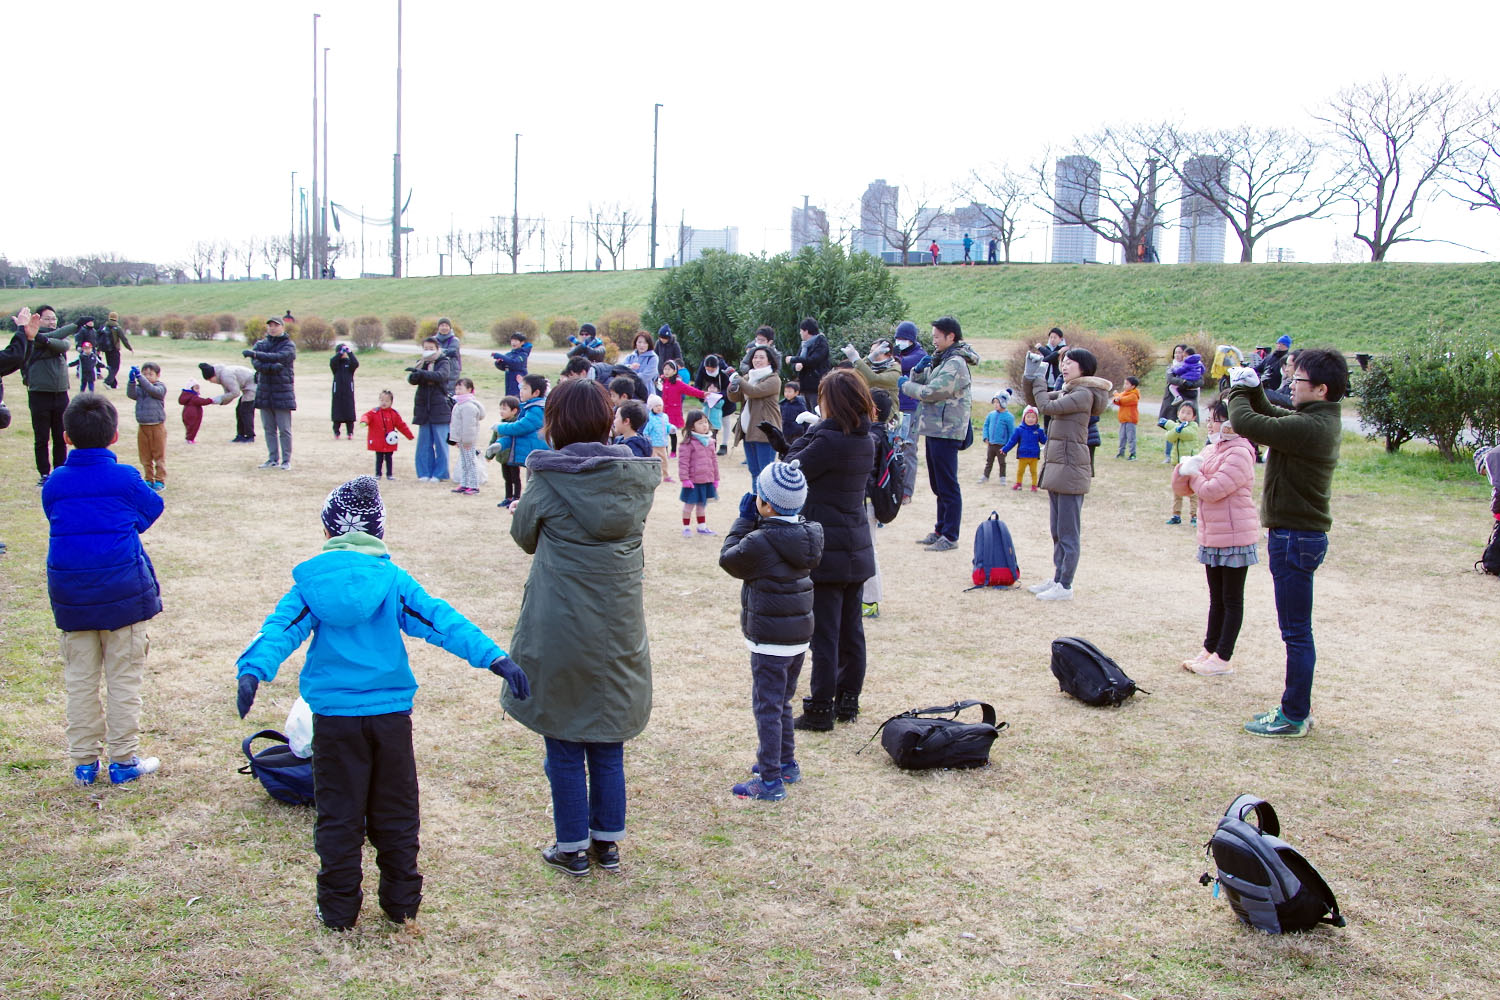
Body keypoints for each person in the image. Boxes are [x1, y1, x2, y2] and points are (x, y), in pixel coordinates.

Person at [235, 476, 528, 929]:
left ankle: (337, 910)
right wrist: (496, 658)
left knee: (338, 813)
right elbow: (442, 620)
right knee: (396, 808)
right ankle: (402, 903)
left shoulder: (311, 584)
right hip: (390, 717)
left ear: (329, 530)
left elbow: (280, 628)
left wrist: (253, 668)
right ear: (379, 532)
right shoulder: (392, 580)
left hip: (334, 720)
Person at [501, 377, 659, 875]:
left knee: (565, 740)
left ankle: (571, 846)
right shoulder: (632, 480)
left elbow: (523, 534)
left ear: (555, 424)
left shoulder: (548, 481)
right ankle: (606, 843)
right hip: (618, 627)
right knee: (608, 741)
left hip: (561, 627)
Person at [43, 393, 164, 787]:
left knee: (80, 679)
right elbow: (151, 509)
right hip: (123, 594)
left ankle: (83, 763)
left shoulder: (56, 481)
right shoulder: (126, 477)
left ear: (66, 437)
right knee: (123, 678)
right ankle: (123, 759)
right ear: (115, 436)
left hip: (72, 596)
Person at [1225, 350, 1345, 739]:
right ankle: (1296, 709)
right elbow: (1271, 416)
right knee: (1297, 631)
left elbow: (1247, 422)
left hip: (1295, 538)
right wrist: (1255, 388)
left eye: (1299, 381)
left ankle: (1294, 715)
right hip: (1298, 536)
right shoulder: (1314, 420)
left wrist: (1237, 391)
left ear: (1322, 390)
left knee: (1296, 633)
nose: (1292, 385)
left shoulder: (1311, 427)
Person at [758, 369, 876, 730]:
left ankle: (821, 708)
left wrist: (805, 434)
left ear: (832, 401)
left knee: (825, 633)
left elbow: (794, 467)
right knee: (851, 631)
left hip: (829, 546)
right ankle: (847, 702)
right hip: (855, 543)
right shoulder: (864, 439)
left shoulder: (828, 439)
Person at [717, 460, 823, 802]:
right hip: (796, 637)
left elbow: (729, 558)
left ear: (765, 504)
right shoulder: (807, 534)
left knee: (767, 706)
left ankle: (770, 779)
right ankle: (785, 762)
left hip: (770, 641)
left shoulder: (762, 539)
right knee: (781, 703)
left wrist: (744, 519)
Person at [1173, 399, 1258, 678]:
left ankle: (1223, 657)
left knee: (1232, 599)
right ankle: (1209, 649)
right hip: (1213, 534)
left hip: (1235, 535)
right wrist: (1182, 470)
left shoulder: (1241, 452)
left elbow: (1211, 490)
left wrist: (1193, 473)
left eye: (1217, 419)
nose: (1211, 424)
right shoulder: (1212, 449)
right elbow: (1184, 488)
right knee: (1216, 598)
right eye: (1210, 418)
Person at [1023, 347, 1113, 601]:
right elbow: (1033, 399)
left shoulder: (1083, 394)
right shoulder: (1069, 390)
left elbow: (1045, 406)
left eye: (1070, 363)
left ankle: (1065, 585)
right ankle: (1058, 577)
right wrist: (1030, 375)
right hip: (1059, 465)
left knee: (1068, 531)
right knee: (1057, 529)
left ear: (1083, 368)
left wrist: (1040, 377)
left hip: (1071, 467)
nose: (1064, 366)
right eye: (1063, 362)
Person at [899, 316, 978, 552]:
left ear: (950, 336)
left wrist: (905, 385)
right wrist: (918, 371)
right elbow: (928, 382)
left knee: (947, 484)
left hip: (947, 429)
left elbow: (933, 391)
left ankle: (950, 535)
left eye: (936, 336)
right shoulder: (942, 359)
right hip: (935, 426)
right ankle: (940, 529)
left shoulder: (955, 363)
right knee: (937, 483)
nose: (933, 341)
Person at [8, 305, 76, 484]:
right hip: (39, 394)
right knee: (41, 437)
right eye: (47, 318)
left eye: (54, 318)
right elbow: (43, 339)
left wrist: (47, 339)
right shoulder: (32, 338)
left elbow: (63, 345)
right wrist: (38, 336)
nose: (52, 322)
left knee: (60, 436)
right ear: (37, 320)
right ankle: (44, 473)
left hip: (60, 393)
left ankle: (60, 471)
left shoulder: (60, 338)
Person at [487, 374, 549, 507]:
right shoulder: (529, 408)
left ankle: (533, 508)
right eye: (521, 387)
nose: (521, 391)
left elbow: (519, 428)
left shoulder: (537, 410)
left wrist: (500, 427)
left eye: (525, 388)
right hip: (533, 456)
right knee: (532, 484)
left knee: (535, 486)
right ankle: (530, 506)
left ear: (536, 392)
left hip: (539, 456)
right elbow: (519, 436)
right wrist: (500, 444)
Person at [244, 315, 297, 470]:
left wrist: (255, 355)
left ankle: (286, 460)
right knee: (269, 429)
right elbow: (257, 364)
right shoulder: (261, 344)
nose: (272, 328)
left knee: (284, 429)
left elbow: (280, 358)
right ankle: (272, 458)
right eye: (270, 325)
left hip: (283, 392)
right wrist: (270, 367)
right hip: (264, 391)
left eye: (276, 325)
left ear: (282, 327)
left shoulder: (288, 345)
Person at [861, 390, 896, 619]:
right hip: (869, 502)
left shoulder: (872, 437)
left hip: (868, 502)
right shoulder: (879, 433)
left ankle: (870, 600)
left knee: (867, 550)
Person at [727, 345, 781, 486]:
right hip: (748, 431)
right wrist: (732, 387)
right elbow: (735, 397)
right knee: (754, 471)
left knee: (765, 473)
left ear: (770, 361)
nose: (757, 360)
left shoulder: (773, 379)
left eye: (761, 357)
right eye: (755, 357)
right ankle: (756, 504)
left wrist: (738, 379)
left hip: (765, 432)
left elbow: (754, 391)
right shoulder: (748, 377)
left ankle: (765, 504)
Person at [407, 336, 457, 483]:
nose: (428, 351)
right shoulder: (421, 363)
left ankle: (440, 473)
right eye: (426, 348)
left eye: (431, 348)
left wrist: (422, 374)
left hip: (440, 408)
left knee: (441, 443)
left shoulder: (444, 361)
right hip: (423, 408)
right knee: (424, 443)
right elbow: (412, 379)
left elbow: (440, 376)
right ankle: (424, 472)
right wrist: (417, 372)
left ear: (437, 348)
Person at [890, 323, 929, 504]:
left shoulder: (919, 355)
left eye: (903, 339)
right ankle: (892, 487)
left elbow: (900, 364)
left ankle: (906, 491)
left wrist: (892, 355)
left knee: (909, 448)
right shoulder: (900, 353)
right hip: (895, 408)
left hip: (911, 409)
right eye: (897, 338)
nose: (900, 342)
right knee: (892, 447)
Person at [125, 362, 167, 492]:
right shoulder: (140, 388)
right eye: (144, 374)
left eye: (150, 374)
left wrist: (140, 378)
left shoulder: (160, 387)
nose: (147, 377)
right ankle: (148, 478)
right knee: (145, 455)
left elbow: (151, 389)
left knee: (159, 455)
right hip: (143, 426)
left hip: (157, 426)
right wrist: (131, 381)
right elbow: (131, 394)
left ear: (158, 375)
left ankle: (160, 479)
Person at [678, 410, 720, 536]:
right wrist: (685, 479)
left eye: (706, 422)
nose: (705, 425)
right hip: (693, 482)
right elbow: (683, 463)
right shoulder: (688, 443)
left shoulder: (711, 441)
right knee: (689, 506)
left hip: (706, 480)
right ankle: (686, 527)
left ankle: (702, 527)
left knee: (702, 505)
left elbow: (714, 461)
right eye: (700, 423)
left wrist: (716, 478)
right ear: (692, 426)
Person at [1161, 401, 1201, 525]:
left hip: (1189, 463)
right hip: (1177, 464)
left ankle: (1194, 515)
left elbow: (1188, 435)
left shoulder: (1193, 426)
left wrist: (1174, 428)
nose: (1184, 415)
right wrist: (1175, 428)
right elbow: (1169, 437)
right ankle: (1176, 514)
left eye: (1188, 413)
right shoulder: (1177, 426)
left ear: (1193, 417)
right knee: (1176, 489)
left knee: (1192, 491)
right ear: (1178, 413)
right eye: (1182, 412)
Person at [361, 389, 413, 480]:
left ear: (391, 402)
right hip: (378, 441)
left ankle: (389, 474)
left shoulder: (394, 414)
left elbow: (401, 425)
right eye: (381, 400)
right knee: (379, 458)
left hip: (389, 442)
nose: (383, 403)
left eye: (386, 401)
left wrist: (409, 435)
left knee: (389, 458)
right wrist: (364, 421)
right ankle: (378, 474)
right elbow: (366, 416)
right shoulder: (374, 412)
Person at [656, 359, 705, 456]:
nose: (666, 371)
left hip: (674, 412)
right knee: (663, 433)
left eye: (669, 369)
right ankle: (664, 451)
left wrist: (703, 394)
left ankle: (673, 451)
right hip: (663, 412)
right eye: (665, 369)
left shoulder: (678, 384)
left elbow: (691, 390)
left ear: (674, 371)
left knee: (672, 433)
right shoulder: (661, 382)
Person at [199, 361, 257, 443]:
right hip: (247, 386)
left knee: (246, 411)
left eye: (210, 379)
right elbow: (228, 393)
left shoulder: (226, 375)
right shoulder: (221, 375)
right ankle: (240, 435)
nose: (211, 382)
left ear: (213, 376)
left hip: (253, 385)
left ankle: (250, 436)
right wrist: (221, 401)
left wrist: (219, 399)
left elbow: (235, 392)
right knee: (239, 410)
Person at [449, 377, 486, 496]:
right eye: (457, 388)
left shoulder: (468, 406)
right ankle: (464, 484)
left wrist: (467, 441)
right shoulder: (459, 404)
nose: (457, 390)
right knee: (464, 463)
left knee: (470, 463)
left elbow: (469, 427)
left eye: (461, 388)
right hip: (461, 440)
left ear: (469, 389)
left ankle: (474, 486)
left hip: (467, 441)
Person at [694, 354, 733, 454]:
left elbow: (729, 387)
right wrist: (702, 396)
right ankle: (708, 445)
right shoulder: (702, 368)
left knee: (725, 420)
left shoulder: (724, 369)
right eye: (708, 369)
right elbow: (697, 384)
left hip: (725, 398)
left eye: (712, 369)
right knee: (708, 422)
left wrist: (718, 396)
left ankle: (724, 444)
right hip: (708, 397)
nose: (710, 371)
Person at [787, 318, 830, 406]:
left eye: (801, 331)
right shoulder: (804, 345)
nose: (800, 333)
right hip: (804, 386)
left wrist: (793, 359)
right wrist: (795, 366)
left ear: (806, 331)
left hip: (817, 386)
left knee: (816, 414)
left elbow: (813, 360)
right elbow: (799, 361)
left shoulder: (821, 343)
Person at [489, 395, 524, 504]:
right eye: (500, 408)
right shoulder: (499, 425)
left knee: (515, 479)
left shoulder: (517, 425)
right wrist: (489, 455)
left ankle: (516, 498)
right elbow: (494, 440)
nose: (501, 411)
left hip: (513, 457)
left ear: (514, 411)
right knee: (507, 478)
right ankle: (508, 497)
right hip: (503, 457)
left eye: (504, 409)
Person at [1003, 406, 1047, 490]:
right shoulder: (1019, 430)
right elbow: (1012, 441)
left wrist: (1050, 438)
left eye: (1033, 417)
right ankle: (1018, 483)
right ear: (1024, 418)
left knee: (1034, 472)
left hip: (1034, 455)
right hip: (1023, 455)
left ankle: (1034, 486)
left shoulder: (1039, 431)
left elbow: (1044, 441)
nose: (1030, 419)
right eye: (1028, 417)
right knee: (1020, 471)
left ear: (1036, 419)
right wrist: (1005, 449)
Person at [979, 390, 1016, 484]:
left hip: (1002, 446)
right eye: (994, 402)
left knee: (1002, 463)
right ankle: (985, 476)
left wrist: (1008, 446)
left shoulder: (1009, 417)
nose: (995, 404)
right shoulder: (991, 415)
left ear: (1003, 403)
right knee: (989, 461)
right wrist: (985, 437)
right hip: (991, 444)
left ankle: (1002, 477)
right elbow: (986, 426)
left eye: (998, 402)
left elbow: (1012, 432)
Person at [95, 311, 133, 389]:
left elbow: (99, 338)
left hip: (106, 350)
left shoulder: (104, 326)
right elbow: (124, 339)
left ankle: (113, 384)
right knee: (116, 367)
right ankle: (107, 381)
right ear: (116, 318)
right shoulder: (117, 327)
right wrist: (129, 348)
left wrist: (98, 348)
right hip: (114, 350)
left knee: (111, 367)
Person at [330, 343, 359, 439]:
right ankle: (336, 432)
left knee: (349, 412)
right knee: (337, 413)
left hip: (348, 392)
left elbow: (356, 363)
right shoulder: (336, 364)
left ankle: (350, 432)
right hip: (337, 392)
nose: (343, 354)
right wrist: (339, 353)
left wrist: (350, 352)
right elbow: (332, 361)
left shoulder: (349, 364)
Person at [492, 331, 532, 398]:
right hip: (509, 380)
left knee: (518, 399)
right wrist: (499, 363)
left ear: (522, 342)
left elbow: (514, 363)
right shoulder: (510, 354)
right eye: (512, 341)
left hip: (518, 380)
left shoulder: (523, 354)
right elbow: (504, 366)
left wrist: (500, 356)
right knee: (509, 399)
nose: (513, 343)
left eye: (516, 341)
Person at [644, 395, 671, 482]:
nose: (659, 408)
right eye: (656, 406)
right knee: (653, 462)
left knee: (665, 461)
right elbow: (646, 430)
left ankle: (666, 476)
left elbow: (667, 426)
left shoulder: (665, 417)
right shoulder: (650, 419)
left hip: (663, 444)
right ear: (651, 408)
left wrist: (671, 428)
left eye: (660, 405)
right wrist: (647, 438)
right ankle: (652, 477)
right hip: (653, 445)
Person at [1112, 375, 1140, 459]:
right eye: (1125, 384)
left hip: (1130, 420)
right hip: (1123, 419)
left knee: (1131, 438)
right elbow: (1117, 401)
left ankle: (1133, 454)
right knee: (1122, 437)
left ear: (1133, 386)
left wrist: (1117, 396)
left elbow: (1123, 400)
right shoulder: (1124, 393)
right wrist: (1117, 397)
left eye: (1127, 384)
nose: (1125, 386)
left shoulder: (1134, 396)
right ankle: (1121, 452)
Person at [1037, 327, 1068, 394]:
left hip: (1058, 381)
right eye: (1051, 337)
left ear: (1061, 339)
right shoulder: (1046, 348)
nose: (1052, 340)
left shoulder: (1064, 349)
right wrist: (1058, 353)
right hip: (1046, 381)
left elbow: (1054, 360)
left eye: (1055, 337)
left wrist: (1040, 348)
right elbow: (1044, 360)